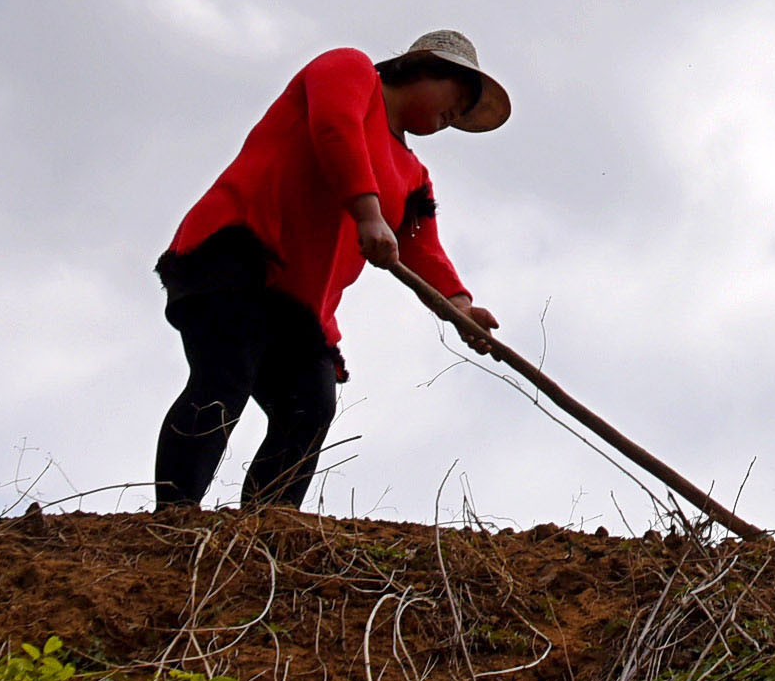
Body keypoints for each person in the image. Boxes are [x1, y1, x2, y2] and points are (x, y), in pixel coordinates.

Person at [151, 31, 510, 509]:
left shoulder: (413, 176)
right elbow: (334, 128)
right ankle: (174, 515)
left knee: (309, 407)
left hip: (299, 306)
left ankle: (268, 528)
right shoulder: (351, 69)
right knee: (225, 375)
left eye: (465, 112)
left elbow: (423, 249)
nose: (457, 115)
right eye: (458, 96)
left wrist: (460, 309)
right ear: (423, 69)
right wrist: (367, 213)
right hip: (235, 255)